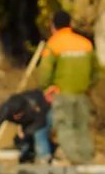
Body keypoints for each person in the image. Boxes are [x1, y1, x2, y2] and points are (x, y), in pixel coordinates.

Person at [29, 13, 99, 166]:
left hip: (62, 93)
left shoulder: (54, 44)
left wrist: (46, 88)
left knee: (65, 126)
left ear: (53, 26)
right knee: (82, 126)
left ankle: (74, 158)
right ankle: (87, 156)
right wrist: (88, 86)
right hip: (82, 93)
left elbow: (45, 71)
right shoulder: (85, 43)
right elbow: (95, 71)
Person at [0, 84, 58, 163]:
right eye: (14, 116)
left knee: (38, 132)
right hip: (27, 118)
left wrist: (26, 133)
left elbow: (41, 122)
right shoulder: (5, 110)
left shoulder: (33, 106)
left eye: (18, 115)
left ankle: (45, 156)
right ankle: (27, 155)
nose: (16, 117)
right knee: (20, 139)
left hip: (46, 112)